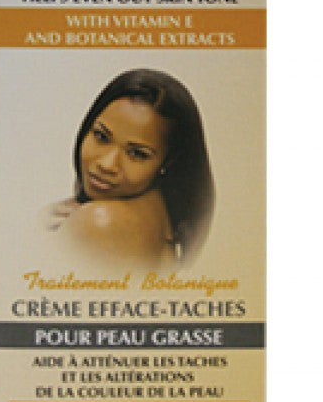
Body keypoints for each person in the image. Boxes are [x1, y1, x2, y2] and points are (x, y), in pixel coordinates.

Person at [45, 69, 215, 262]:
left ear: (168, 161)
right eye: (101, 136)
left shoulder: (99, 221)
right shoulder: (163, 219)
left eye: (137, 153)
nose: (107, 164)